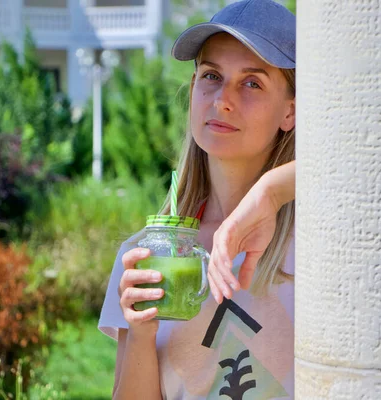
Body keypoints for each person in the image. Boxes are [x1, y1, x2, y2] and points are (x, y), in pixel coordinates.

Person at [98, 1, 297, 398]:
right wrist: (140, 332)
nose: (222, 99)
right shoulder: (144, 254)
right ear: (192, 91)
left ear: (290, 112)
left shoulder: (324, 241)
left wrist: (271, 192)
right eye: (211, 76)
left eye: (252, 82)